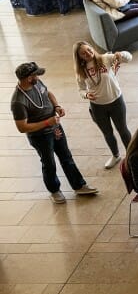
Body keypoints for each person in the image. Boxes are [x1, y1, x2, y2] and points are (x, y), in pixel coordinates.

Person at [11, 62, 99, 204]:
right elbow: (22, 127)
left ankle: (79, 185)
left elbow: (48, 92)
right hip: (40, 136)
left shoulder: (36, 83)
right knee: (49, 163)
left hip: (55, 127)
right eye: (36, 75)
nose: (38, 77)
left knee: (66, 156)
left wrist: (57, 106)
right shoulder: (18, 101)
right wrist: (47, 123)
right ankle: (54, 191)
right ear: (28, 78)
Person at [73, 41, 133, 169]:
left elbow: (129, 57)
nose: (88, 54)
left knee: (122, 129)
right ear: (79, 57)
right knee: (107, 132)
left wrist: (121, 54)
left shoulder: (105, 59)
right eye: (83, 53)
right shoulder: (81, 71)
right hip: (97, 106)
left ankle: (133, 156)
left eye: (89, 50)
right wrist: (86, 95)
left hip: (116, 101)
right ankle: (116, 155)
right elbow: (81, 89)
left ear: (92, 48)